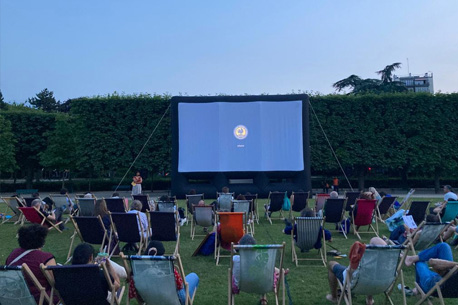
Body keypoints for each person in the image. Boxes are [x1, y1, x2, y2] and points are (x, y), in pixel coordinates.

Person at [5, 224, 60, 304]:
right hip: (37, 299)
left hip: (14, 298)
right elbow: (56, 283)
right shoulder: (45, 258)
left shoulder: (13, 254)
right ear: (41, 241)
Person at [132, 240, 199, 305]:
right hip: (176, 300)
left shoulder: (137, 272)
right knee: (193, 276)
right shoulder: (167, 269)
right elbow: (180, 286)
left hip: (150, 300)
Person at [326, 237, 387, 304]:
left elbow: (351, 275)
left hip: (356, 284)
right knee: (372, 273)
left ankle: (334, 297)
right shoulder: (388, 263)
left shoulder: (361, 255)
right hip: (380, 285)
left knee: (331, 264)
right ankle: (369, 299)